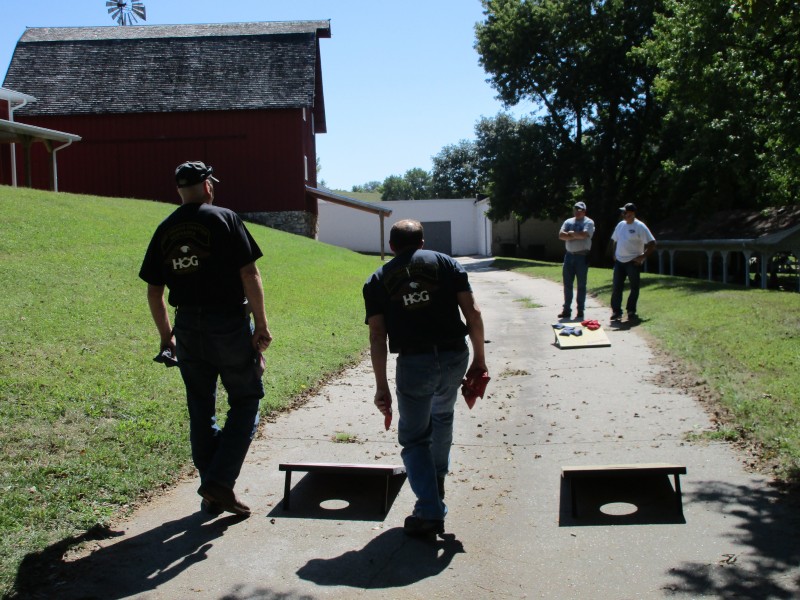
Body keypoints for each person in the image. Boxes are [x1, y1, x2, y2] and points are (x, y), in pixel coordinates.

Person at [139, 161, 273, 518]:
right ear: (208, 186)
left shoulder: (165, 228)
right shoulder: (225, 218)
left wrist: (166, 336)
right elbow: (249, 272)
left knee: (200, 408)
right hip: (227, 323)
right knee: (246, 399)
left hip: (186, 327)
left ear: (179, 190)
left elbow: (154, 291)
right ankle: (220, 481)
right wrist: (261, 324)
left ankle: (212, 492)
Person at [363, 220, 487, 537]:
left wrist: (381, 387)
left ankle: (430, 510)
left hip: (414, 363)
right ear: (422, 242)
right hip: (454, 356)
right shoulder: (446, 263)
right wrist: (479, 360)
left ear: (392, 246)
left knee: (415, 438)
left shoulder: (377, 279)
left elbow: (377, 335)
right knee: (443, 417)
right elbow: (473, 312)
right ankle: (437, 481)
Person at [610, 202, 656, 321]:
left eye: (625, 212)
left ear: (632, 213)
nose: (623, 215)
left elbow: (652, 243)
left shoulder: (640, 226)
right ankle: (616, 311)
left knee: (634, 287)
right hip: (619, 261)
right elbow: (614, 240)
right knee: (616, 287)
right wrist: (614, 254)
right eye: (623, 213)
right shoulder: (620, 225)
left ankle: (631, 311)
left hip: (632, 262)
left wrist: (642, 257)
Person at [558, 201, 595, 320]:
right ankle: (566, 310)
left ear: (584, 211)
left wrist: (571, 234)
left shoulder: (588, 222)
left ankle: (580, 310)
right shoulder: (568, 222)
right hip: (569, 256)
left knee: (581, 285)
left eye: (580, 210)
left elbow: (584, 235)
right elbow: (561, 235)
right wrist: (575, 235)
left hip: (582, 256)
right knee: (567, 284)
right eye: (575, 209)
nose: (577, 212)